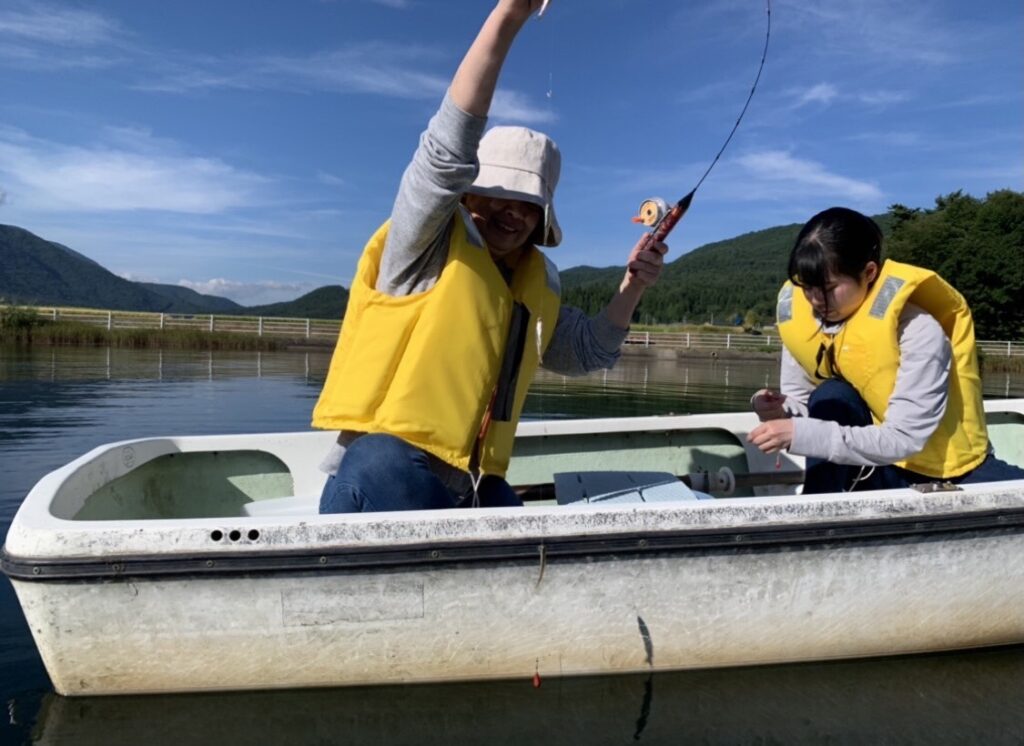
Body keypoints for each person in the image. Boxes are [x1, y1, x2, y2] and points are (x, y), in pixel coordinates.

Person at [314, 0, 667, 513]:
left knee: (508, 508)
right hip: (386, 482)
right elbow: (444, 155)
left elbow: (590, 351)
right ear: (465, 195)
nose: (513, 212)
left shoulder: (534, 284)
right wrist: (509, 16)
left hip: (470, 486)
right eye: (497, 193)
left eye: (529, 203)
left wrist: (634, 284)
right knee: (382, 460)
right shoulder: (422, 245)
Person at [748, 206, 1024, 493]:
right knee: (832, 396)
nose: (816, 300)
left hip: (944, 470)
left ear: (869, 272)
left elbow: (904, 438)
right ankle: (816, 509)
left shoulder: (918, 329)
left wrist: (799, 433)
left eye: (828, 288)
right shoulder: (804, 320)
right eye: (807, 286)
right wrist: (775, 410)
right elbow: (805, 407)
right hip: (872, 466)